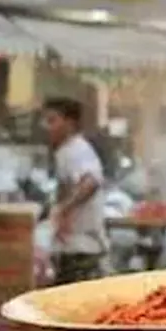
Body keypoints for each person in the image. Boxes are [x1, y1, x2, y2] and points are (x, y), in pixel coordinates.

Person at [42, 97, 107, 285]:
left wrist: (64, 208)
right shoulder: (64, 151)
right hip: (69, 246)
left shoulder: (78, 150)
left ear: (69, 123)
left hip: (82, 246)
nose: (47, 127)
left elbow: (91, 182)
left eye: (52, 120)